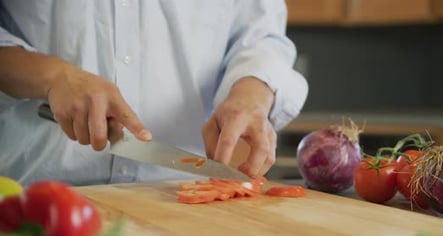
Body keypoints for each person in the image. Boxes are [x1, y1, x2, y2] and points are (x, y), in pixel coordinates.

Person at [0, 1, 308, 186]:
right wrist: (52, 76)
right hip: (30, 195)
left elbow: (262, 37)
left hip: (187, 204)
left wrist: (252, 92)